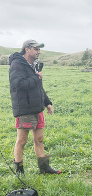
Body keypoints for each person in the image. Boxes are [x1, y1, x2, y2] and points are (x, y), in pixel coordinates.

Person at [9, 39, 61, 175]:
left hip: (37, 108)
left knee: (39, 139)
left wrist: (47, 103)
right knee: (22, 140)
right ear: (27, 49)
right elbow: (18, 84)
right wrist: (36, 78)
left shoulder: (34, 65)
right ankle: (19, 171)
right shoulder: (17, 64)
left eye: (39, 49)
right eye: (36, 49)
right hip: (25, 108)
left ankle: (44, 168)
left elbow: (38, 87)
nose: (39, 52)